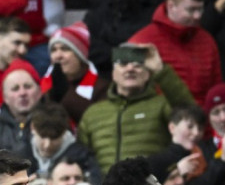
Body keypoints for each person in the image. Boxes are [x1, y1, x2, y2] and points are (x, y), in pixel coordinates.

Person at [78, 44, 194, 175]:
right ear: (113, 73)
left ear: (148, 74)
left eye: (138, 65)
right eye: (123, 64)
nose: (130, 68)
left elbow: (191, 115)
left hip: (151, 184)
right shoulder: (93, 113)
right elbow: (82, 157)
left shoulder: (162, 105)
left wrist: (160, 70)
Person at [128, 0, 221, 105]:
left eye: (200, 9)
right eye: (191, 10)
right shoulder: (141, 42)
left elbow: (216, 89)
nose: (197, 16)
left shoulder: (207, 41)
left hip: (202, 115)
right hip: (161, 114)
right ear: (171, 6)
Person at [40, 22, 109, 125]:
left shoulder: (101, 87)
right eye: (53, 50)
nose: (58, 56)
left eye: (65, 49)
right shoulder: (44, 85)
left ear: (80, 55)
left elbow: (97, 121)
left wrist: (64, 92)